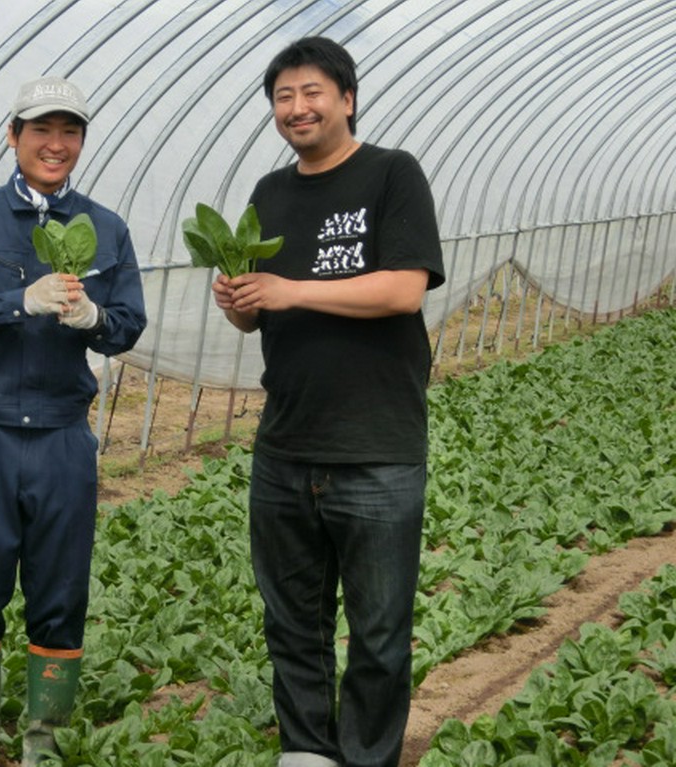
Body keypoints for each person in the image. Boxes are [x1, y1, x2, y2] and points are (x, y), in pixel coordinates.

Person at [211, 37, 445, 767]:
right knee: (292, 625)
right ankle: (308, 753)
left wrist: (291, 289)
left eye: (312, 91)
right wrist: (241, 303)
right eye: (283, 96)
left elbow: (404, 289)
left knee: (379, 635)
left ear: (346, 98)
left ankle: (368, 757)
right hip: (286, 445)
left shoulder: (392, 173)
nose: (297, 107)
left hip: (375, 448)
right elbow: (258, 318)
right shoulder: (269, 193)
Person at [0, 75, 146, 765]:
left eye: (69, 131)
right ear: (13, 137)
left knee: (60, 589)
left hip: (60, 434)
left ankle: (43, 737)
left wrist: (94, 317)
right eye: (42, 130)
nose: (56, 144)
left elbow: (127, 325)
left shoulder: (106, 229)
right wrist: (18, 300)